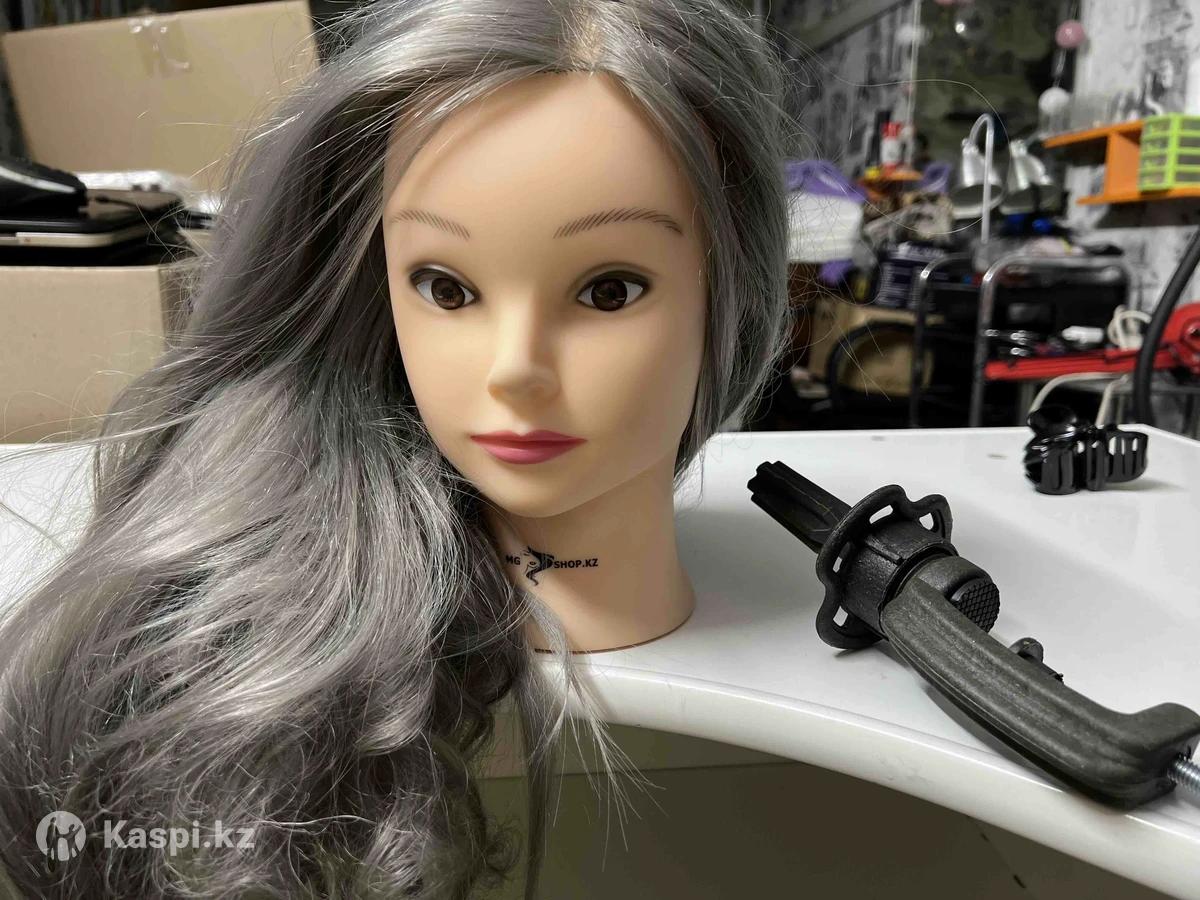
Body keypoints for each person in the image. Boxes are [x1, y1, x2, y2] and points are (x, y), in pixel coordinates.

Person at [0, 0, 795, 895]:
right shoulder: (285, 619)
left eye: (609, 290)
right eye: (446, 287)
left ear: (728, 288)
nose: (516, 369)